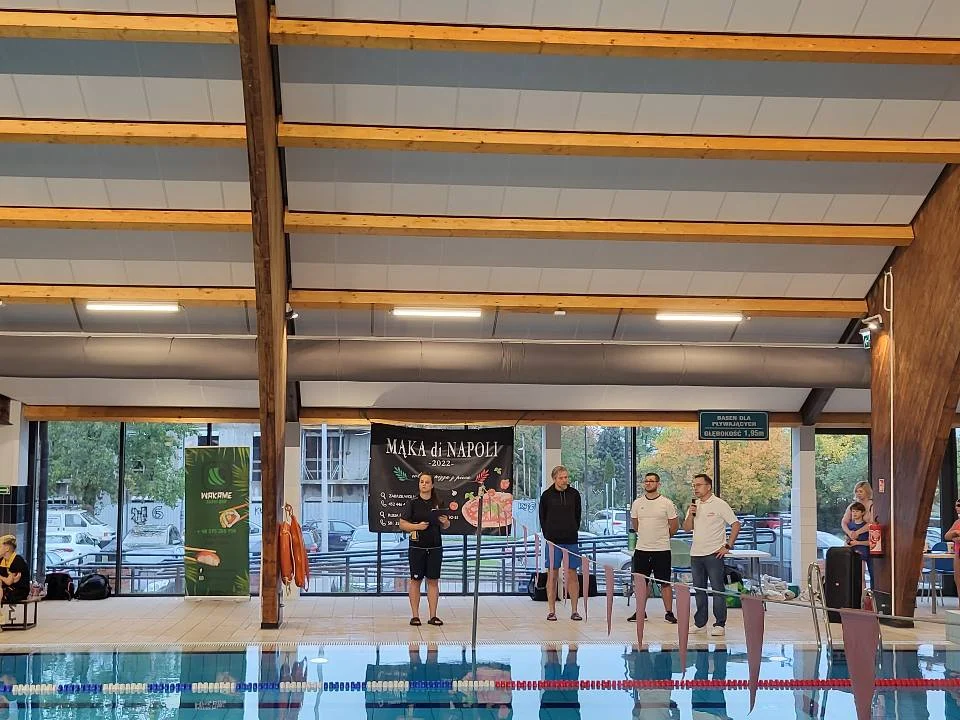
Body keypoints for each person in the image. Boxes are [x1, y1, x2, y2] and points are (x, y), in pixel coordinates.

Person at [682, 474, 740, 638]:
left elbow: (736, 524)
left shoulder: (719, 504)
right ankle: (700, 623)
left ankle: (720, 624)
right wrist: (690, 514)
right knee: (699, 590)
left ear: (708, 486)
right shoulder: (694, 505)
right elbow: (686, 528)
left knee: (717, 590)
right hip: (696, 554)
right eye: (694, 485)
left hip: (714, 554)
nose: (696, 488)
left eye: (699, 485)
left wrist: (727, 545)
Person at [399, 474, 450, 627]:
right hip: (417, 547)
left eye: (427, 482)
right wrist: (417, 527)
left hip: (435, 547)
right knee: (415, 580)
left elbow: (446, 525)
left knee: (433, 581)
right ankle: (415, 616)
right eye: (421, 482)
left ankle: (433, 616)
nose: (424, 484)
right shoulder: (413, 503)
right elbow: (402, 524)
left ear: (432, 485)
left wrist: (445, 522)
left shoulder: (438, 502)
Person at [628, 472, 679, 624]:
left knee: (665, 582)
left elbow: (674, 526)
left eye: (651, 481)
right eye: (646, 481)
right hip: (642, 549)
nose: (648, 483)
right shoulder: (637, 503)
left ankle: (669, 612)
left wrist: (663, 537)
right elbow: (635, 525)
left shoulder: (666, 503)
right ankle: (640, 611)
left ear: (658, 484)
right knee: (641, 582)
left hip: (662, 549)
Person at [539, 465, 582, 622]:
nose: (564, 480)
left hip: (571, 540)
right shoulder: (547, 496)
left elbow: (578, 515)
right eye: (561, 478)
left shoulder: (574, 494)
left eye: (566, 477)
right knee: (552, 575)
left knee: (572, 574)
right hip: (553, 542)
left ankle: (575, 610)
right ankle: (552, 611)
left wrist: (572, 529)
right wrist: (548, 535)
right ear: (554, 479)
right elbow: (542, 517)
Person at [845, 501, 873, 589]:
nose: (854, 513)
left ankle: (863, 596)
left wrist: (858, 543)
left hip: (862, 553)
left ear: (862, 512)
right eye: (853, 511)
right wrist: (848, 543)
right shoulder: (849, 526)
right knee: (852, 576)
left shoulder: (866, 526)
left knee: (861, 576)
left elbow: (870, 542)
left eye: (857, 511)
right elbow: (846, 540)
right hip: (851, 552)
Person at [0, 536, 28, 607]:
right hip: (6, 589)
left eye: (0, 546)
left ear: (7, 548)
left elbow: (9, 581)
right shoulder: (2, 560)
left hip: (18, 591)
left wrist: (2, 579)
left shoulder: (17, 560)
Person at [944, 501, 960, 584]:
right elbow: (947, 536)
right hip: (958, 553)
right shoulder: (957, 522)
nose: (956, 507)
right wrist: (955, 532)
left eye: (958, 505)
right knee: (958, 579)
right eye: (956, 506)